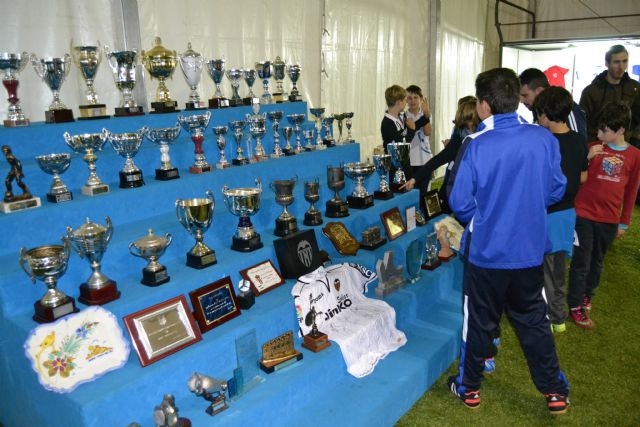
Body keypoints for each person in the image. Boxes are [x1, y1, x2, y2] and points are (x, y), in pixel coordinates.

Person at [446, 68, 570, 414]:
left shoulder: (476, 144)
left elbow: (459, 201)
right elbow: (558, 187)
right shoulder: (543, 138)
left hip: (487, 255)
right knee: (534, 322)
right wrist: (525, 207)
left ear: (483, 105)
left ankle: (469, 387)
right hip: (529, 251)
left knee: (480, 322)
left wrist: (483, 222)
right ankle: (555, 392)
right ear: (516, 98)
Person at [567, 101, 640, 329]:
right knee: (581, 261)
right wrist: (587, 158)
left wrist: (624, 222)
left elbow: (631, 192)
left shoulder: (635, 155)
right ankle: (575, 304)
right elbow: (576, 174)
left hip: (609, 219)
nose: (599, 134)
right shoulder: (592, 147)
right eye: (598, 128)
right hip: (584, 214)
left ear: (620, 131)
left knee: (597, 262)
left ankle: (587, 295)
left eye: (604, 130)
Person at [533, 86, 588, 333]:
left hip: (548, 213)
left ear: (545, 114)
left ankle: (550, 316)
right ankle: (558, 318)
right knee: (557, 268)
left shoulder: (544, 141)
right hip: (568, 214)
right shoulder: (578, 139)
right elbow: (583, 176)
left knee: (545, 269)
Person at [399, 96, 479, 213]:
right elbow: (438, 159)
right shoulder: (459, 138)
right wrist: (415, 178)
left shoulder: (484, 137)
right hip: (458, 187)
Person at [579, 45, 640, 147]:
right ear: (607, 63)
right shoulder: (591, 91)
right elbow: (582, 122)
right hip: (597, 145)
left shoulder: (634, 88)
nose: (621, 66)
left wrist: (634, 141)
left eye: (624, 61)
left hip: (625, 145)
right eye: (616, 62)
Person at [519, 68, 587, 142]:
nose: (521, 100)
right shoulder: (537, 109)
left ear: (539, 91)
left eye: (525, 95)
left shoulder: (564, 107)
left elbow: (577, 144)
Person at [380, 85, 429, 181]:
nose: (406, 102)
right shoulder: (387, 123)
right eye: (404, 100)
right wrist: (411, 129)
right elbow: (402, 144)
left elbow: (414, 126)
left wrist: (426, 115)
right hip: (395, 170)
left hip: (406, 167)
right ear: (398, 103)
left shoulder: (401, 116)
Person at [405, 85, 433, 175]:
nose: (412, 101)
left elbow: (427, 132)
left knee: (424, 188)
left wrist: (426, 114)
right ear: (406, 100)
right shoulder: (404, 116)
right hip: (410, 159)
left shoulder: (426, 113)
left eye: (415, 97)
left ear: (421, 99)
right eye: (409, 98)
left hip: (425, 158)